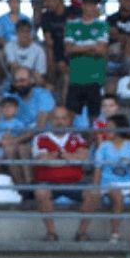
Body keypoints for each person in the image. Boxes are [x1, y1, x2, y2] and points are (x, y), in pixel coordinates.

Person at [30, 103, 98, 240]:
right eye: (56, 118)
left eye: (63, 118)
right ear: (50, 119)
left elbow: (83, 159)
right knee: (41, 192)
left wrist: (57, 156)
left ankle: (81, 233)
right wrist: (70, 157)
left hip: (74, 182)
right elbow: (43, 160)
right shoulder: (40, 138)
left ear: (69, 120)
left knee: (94, 192)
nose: (59, 122)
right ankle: (51, 233)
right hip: (48, 182)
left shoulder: (77, 137)